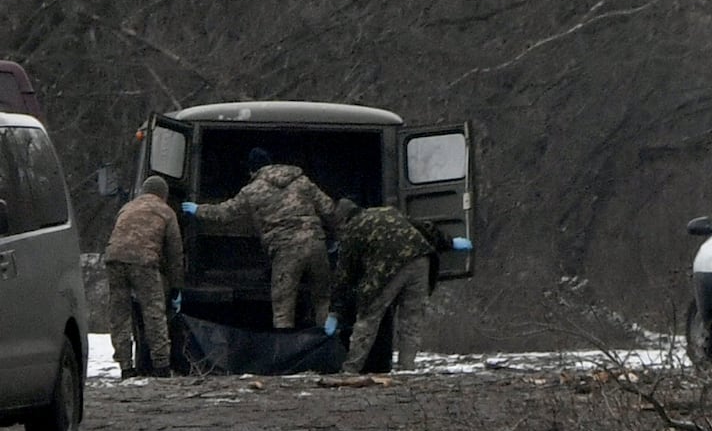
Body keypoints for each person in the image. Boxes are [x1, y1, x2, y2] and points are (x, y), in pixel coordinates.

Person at [181, 148, 335, 329]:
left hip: (286, 251)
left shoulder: (252, 190)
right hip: (316, 244)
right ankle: (326, 347)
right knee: (323, 299)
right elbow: (329, 208)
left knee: (283, 309)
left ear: (252, 170)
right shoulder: (302, 181)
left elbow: (225, 213)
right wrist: (338, 237)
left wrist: (198, 209)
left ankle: (287, 351)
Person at [331, 198, 473, 374]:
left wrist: (335, 311)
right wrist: (450, 242)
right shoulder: (387, 212)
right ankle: (407, 368)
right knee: (411, 319)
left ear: (342, 220)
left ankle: (351, 369)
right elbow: (425, 228)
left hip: (388, 268)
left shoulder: (352, 231)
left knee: (369, 317)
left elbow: (344, 276)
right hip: (421, 259)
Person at [104, 175, 184, 379]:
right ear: (163, 194)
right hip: (143, 262)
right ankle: (161, 366)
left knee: (119, 316)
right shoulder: (166, 211)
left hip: (114, 259)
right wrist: (176, 285)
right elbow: (175, 252)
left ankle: (126, 367)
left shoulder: (128, 207)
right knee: (154, 313)